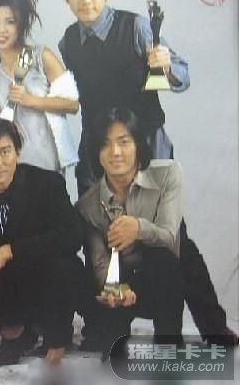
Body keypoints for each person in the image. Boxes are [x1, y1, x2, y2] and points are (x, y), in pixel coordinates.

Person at [59, 0, 237, 346]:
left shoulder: (137, 26)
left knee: (175, 243)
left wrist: (166, 65)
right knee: (101, 238)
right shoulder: (68, 42)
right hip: (99, 154)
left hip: (149, 149)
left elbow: (182, 76)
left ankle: (212, 326)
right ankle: (105, 325)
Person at [0, 117, 84, 365]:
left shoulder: (47, 184)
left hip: (44, 277)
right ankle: (12, 333)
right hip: (3, 288)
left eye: (5, 151)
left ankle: (56, 341)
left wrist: (9, 250)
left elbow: (72, 236)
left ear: (18, 152)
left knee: (66, 265)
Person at [77, 107, 185, 359]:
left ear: (138, 145)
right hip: (119, 281)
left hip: (159, 275)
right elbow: (98, 262)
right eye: (105, 145)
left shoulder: (168, 174)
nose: (115, 152)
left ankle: (169, 348)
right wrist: (116, 289)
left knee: (164, 259)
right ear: (97, 154)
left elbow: (170, 237)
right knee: (113, 360)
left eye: (124, 142)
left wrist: (138, 228)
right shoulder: (87, 205)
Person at [0, 0, 79, 173]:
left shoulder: (43, 57)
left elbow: (72, 105)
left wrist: (30, 100)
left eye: (10, 22)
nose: (1, 29)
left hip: (46, 159)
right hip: (9, 164)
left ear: (21, 24)